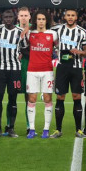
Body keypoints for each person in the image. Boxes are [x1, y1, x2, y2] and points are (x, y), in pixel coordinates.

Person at [51, 9, 86, 138]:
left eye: (72, 15)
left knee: (76, 96)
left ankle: (79, 130)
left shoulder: (82, 32)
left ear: (76, 17)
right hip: (62, 68)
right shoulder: (58, 29)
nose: (70, 17)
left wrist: (80, 52)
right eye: (68, 15)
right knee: (60, 97)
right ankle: (58, 130)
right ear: (65, 17)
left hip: (76, 68)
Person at [21, 10, 58, 139]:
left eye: (43, 19)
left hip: (47, 71)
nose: (41, 21)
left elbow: (58, 48)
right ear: (35, 21)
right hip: (32, 70)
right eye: (39, 19)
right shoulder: (29, 33)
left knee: (47, 99)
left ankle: (46, 129)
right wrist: (28, 28)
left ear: (46, 21)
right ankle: (31, 129)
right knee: (32, 99)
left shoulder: (53, 34)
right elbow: (23, 45)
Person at [0, 10, 23, 138]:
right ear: (2, 18)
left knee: (13, 99)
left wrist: (21, 53)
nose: (8, 19)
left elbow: (25, 47)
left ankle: (11, 128)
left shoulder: (20, 32)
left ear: (14, 18)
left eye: (10, 17)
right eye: (6, 17)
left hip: (15, 70)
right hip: (0, 69)